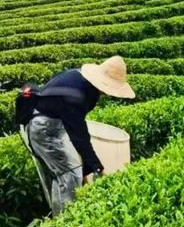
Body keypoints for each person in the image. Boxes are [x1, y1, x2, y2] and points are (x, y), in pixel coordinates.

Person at [19, 56, 135, 216]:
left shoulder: (80, 79)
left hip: (54, 124)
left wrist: (90, 167)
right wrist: (98, 167)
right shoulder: (76, 96)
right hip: (44, 129)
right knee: (69, 174)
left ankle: (62, 214)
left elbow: (76, 128)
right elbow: (79, 135)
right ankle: (65, 222)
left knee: (69, 170)